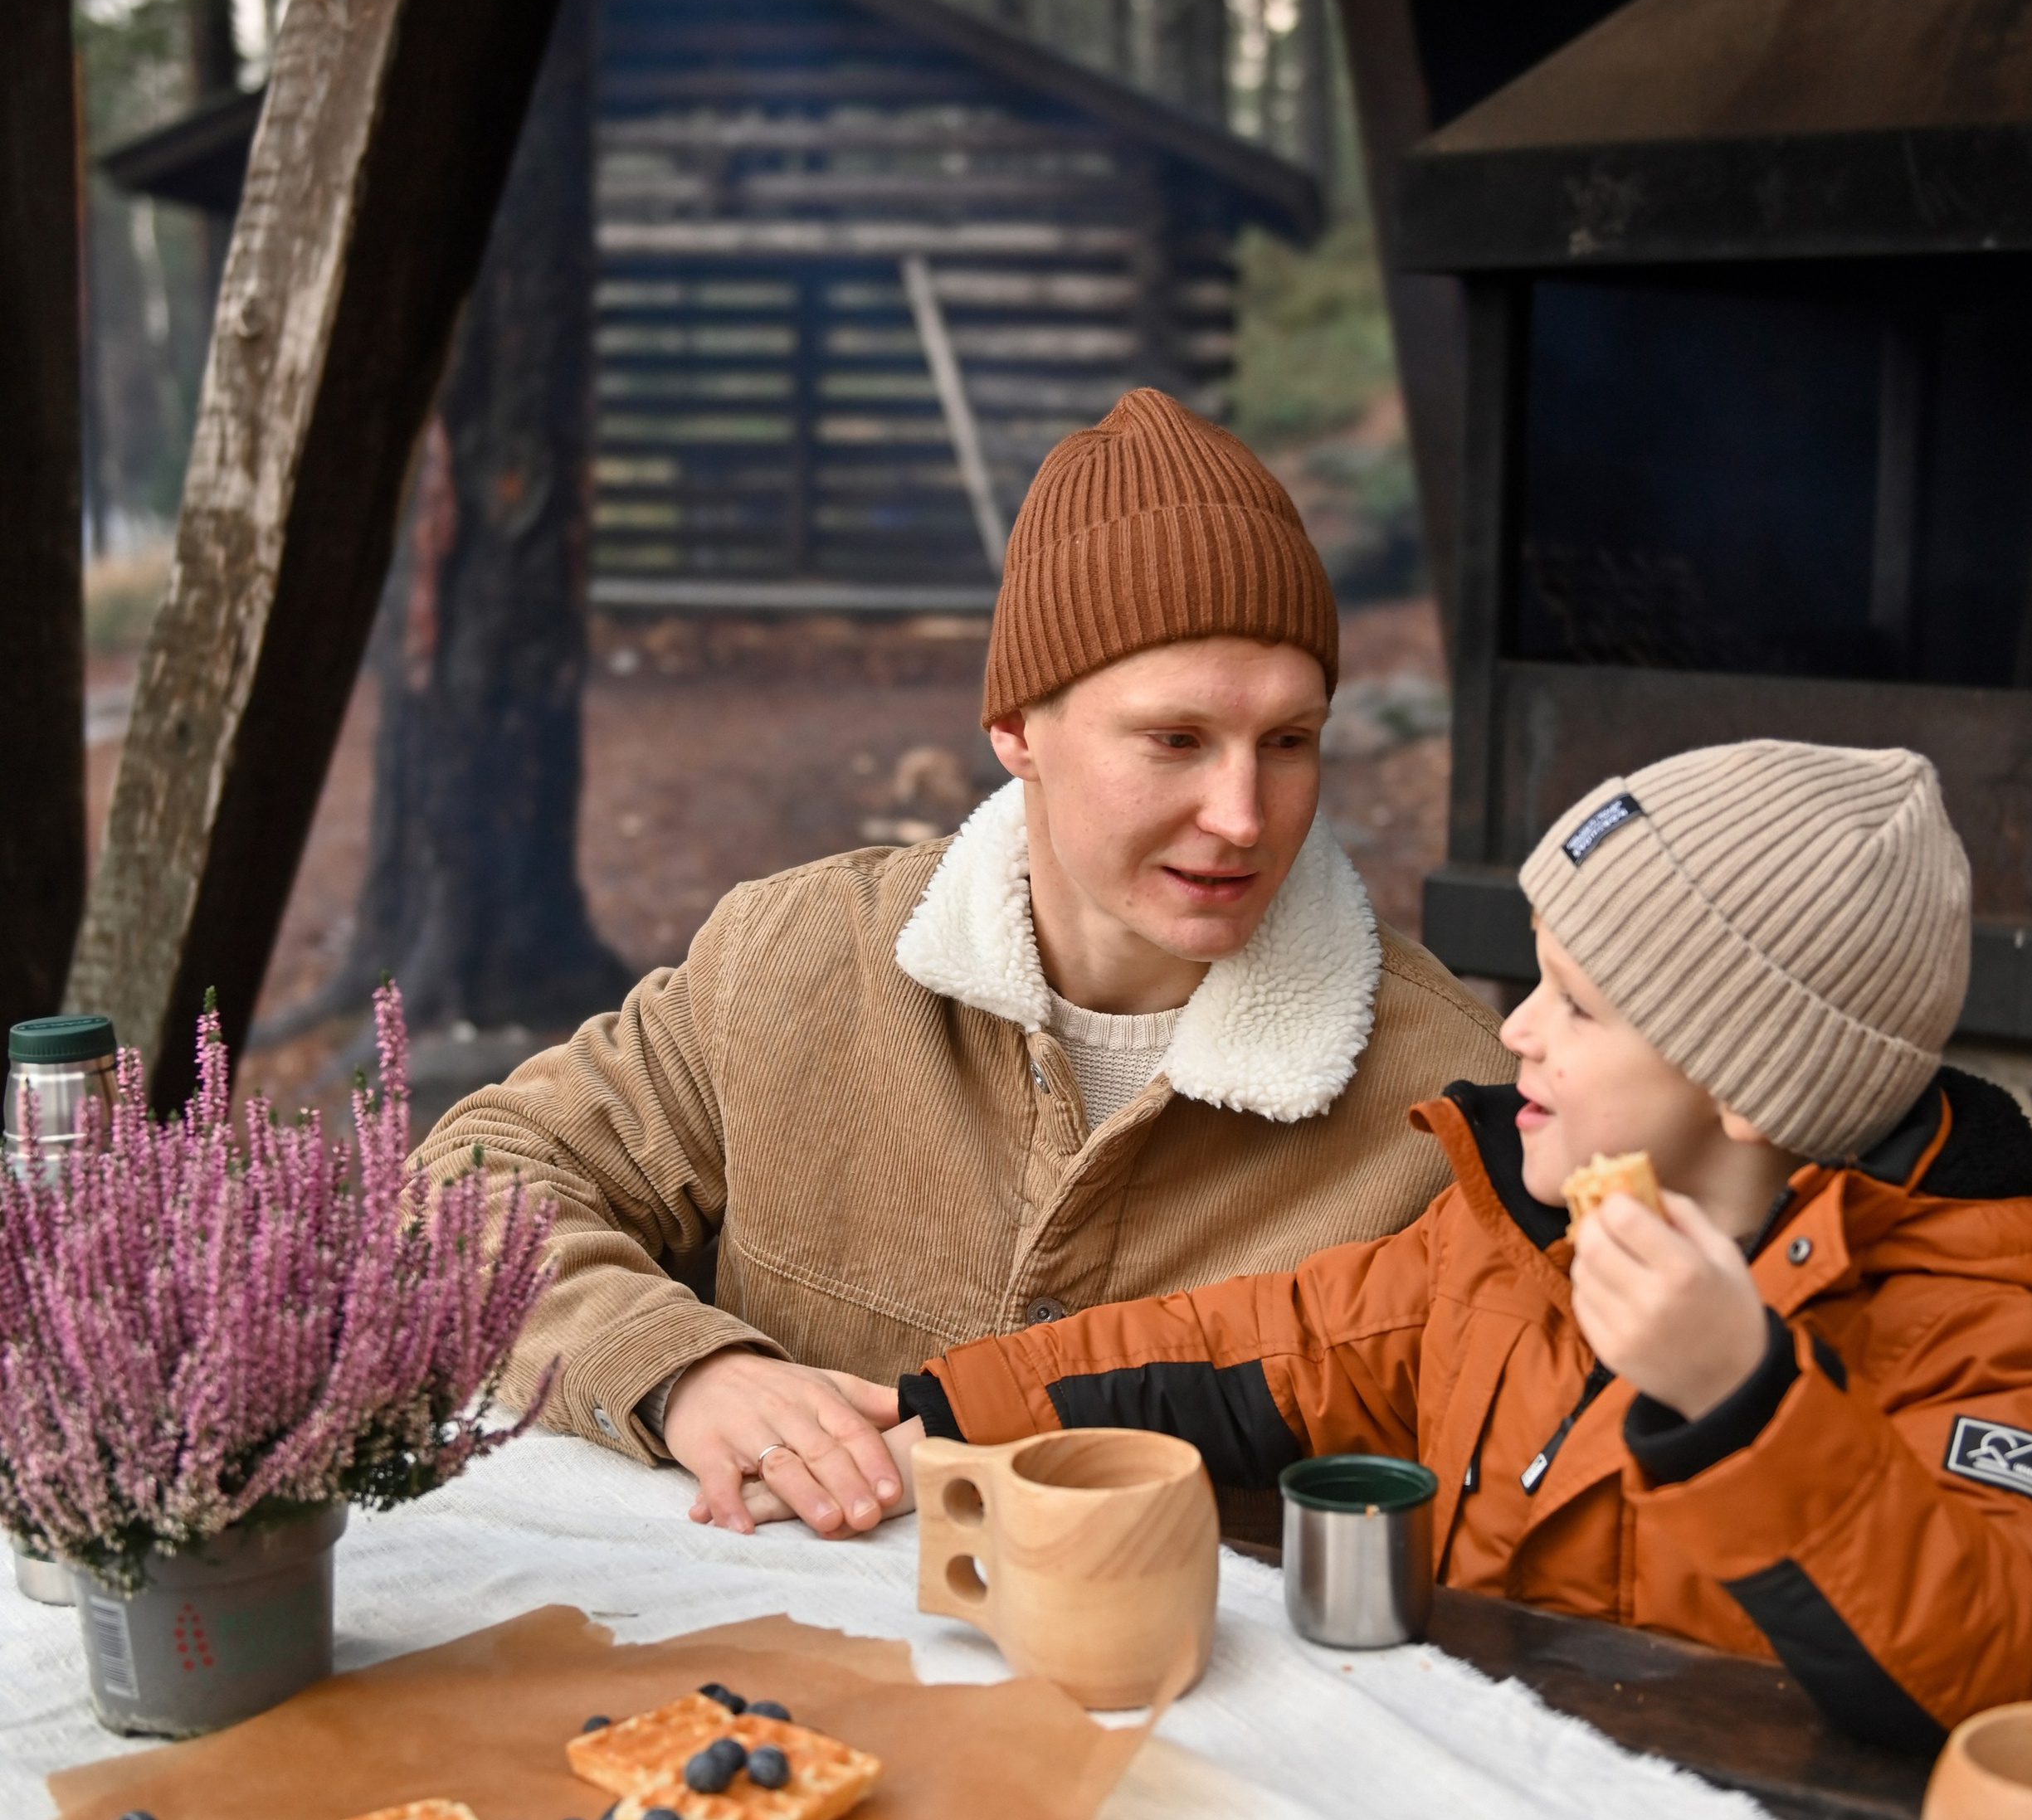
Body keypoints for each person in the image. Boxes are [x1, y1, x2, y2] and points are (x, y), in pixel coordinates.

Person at [422, 387, 1509, 1536]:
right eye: (1175, 741)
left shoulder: (1448, 1096)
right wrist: (685, 1371)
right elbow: (469, 1186)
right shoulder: (794, 957)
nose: (1243, 815)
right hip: (780, 1681)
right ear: (1017, 729)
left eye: (1289, 742)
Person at [899, 740, 2032, 1743]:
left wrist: (1743, 1399)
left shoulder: (1969, 1305)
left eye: (1578, 1006)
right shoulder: (1504, 1235)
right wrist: (923, 1413)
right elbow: (1254, 1344)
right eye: (1534, 982)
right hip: (1495, 1804)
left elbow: (2007, 1666)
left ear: (1749, 1083)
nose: (1518, 1033)